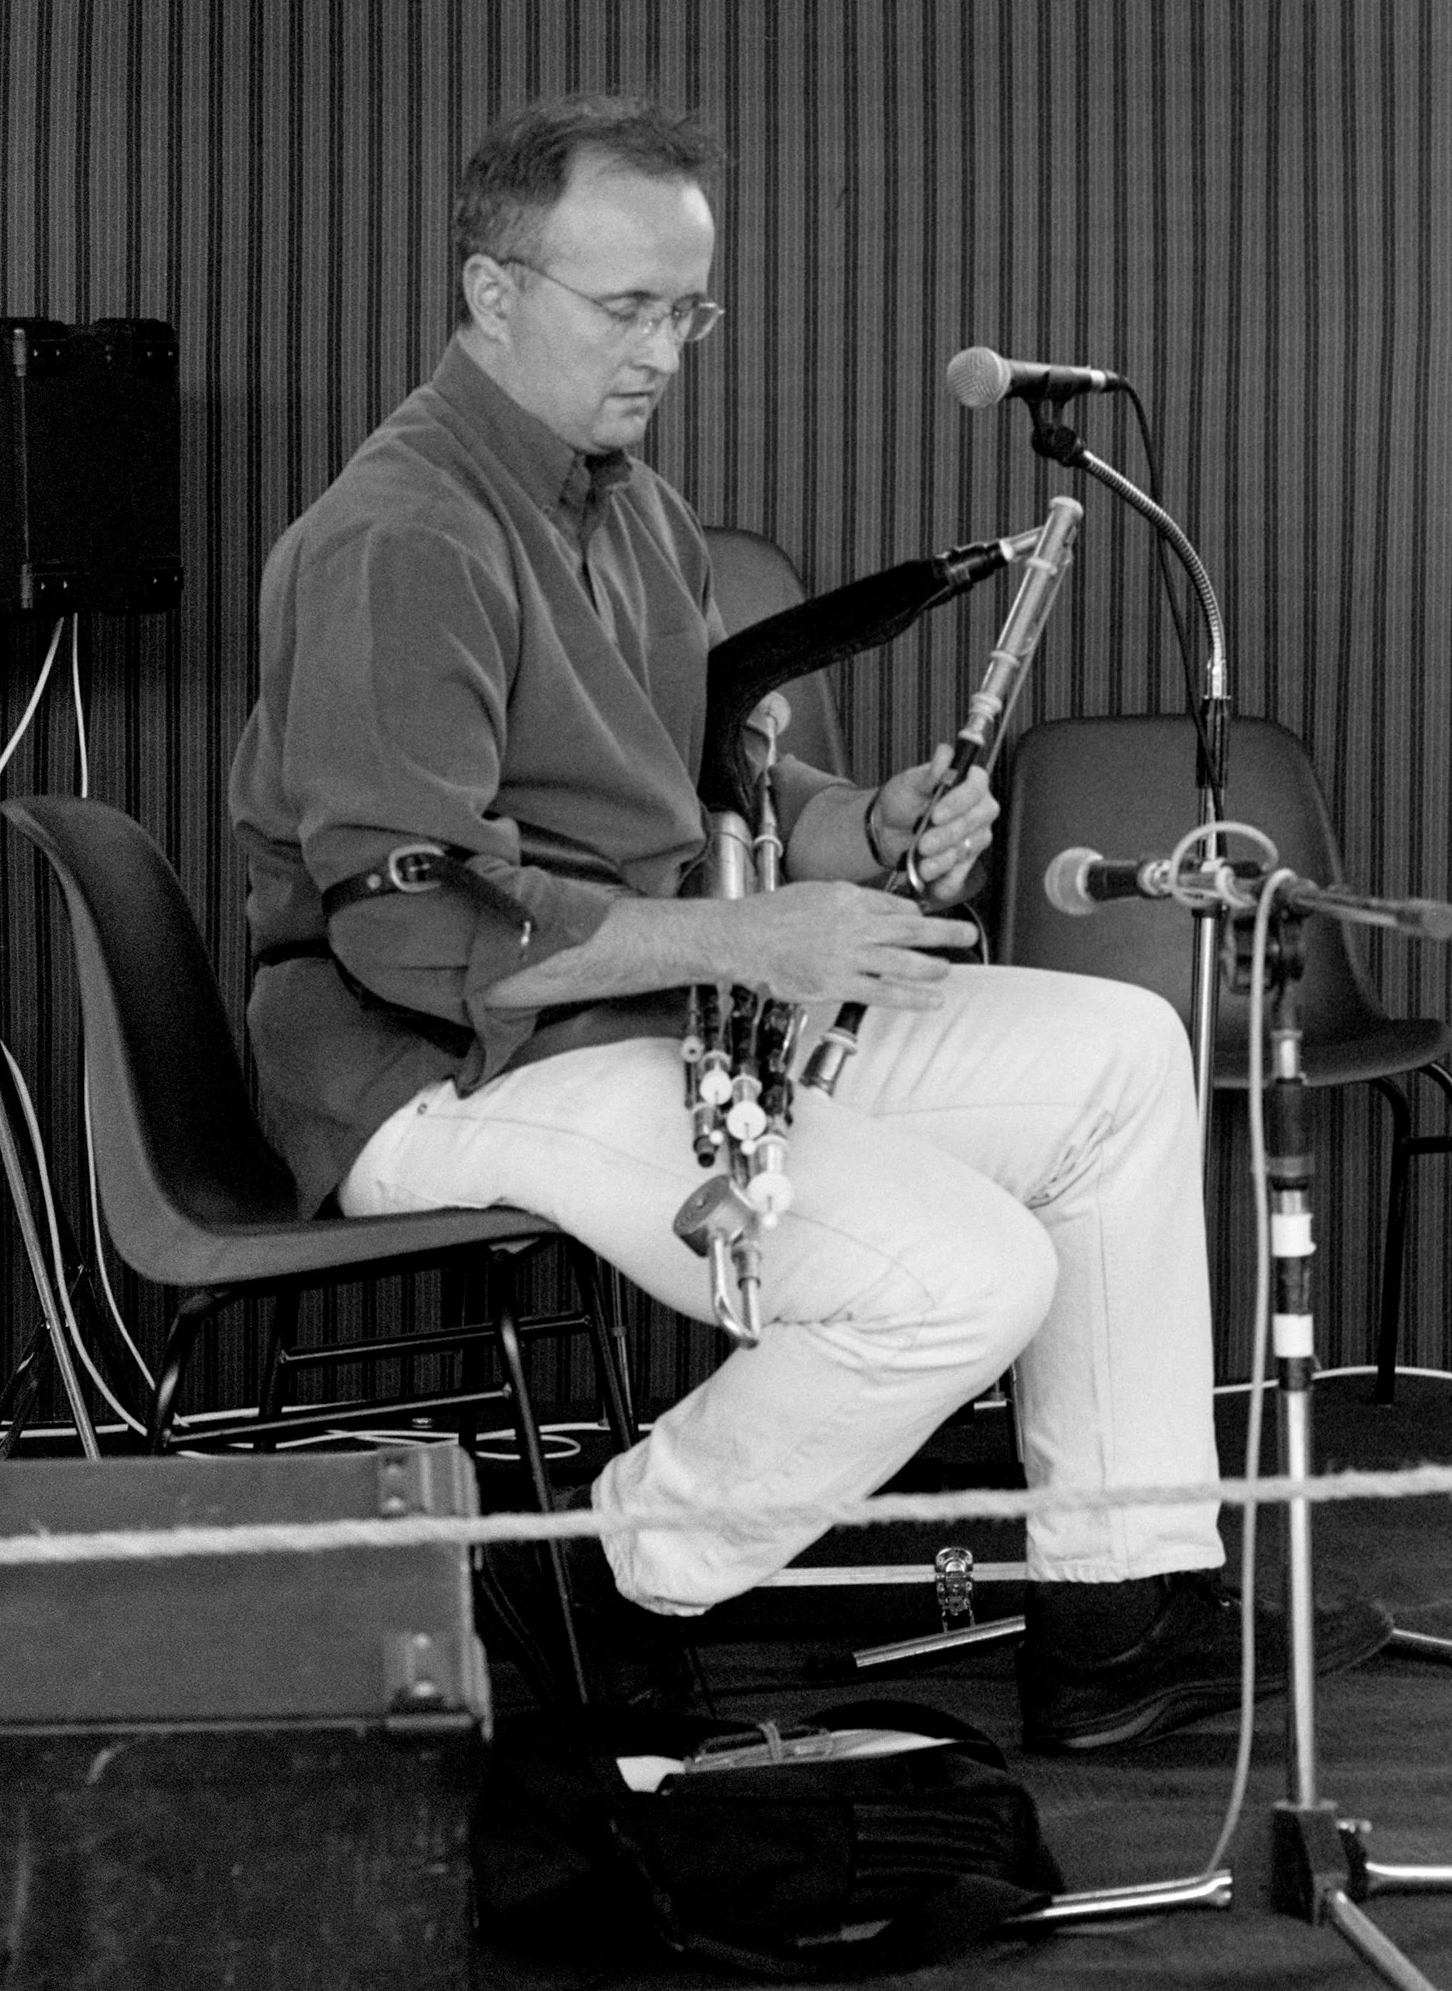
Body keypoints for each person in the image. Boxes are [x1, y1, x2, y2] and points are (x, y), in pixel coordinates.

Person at [229, 94, 1388, 1749]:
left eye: (686, 312)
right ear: (491, 292)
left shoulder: (628, 509)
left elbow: (727, 793)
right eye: (624, 307)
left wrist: (875, 827)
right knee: (964, 1275)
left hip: (655, 1016)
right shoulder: (400, 535)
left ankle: (1118, 1607)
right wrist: (746, 942)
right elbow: (407, 919)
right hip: (434, 1068)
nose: (661, 352)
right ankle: (591, 1578)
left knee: (1122, 1049)